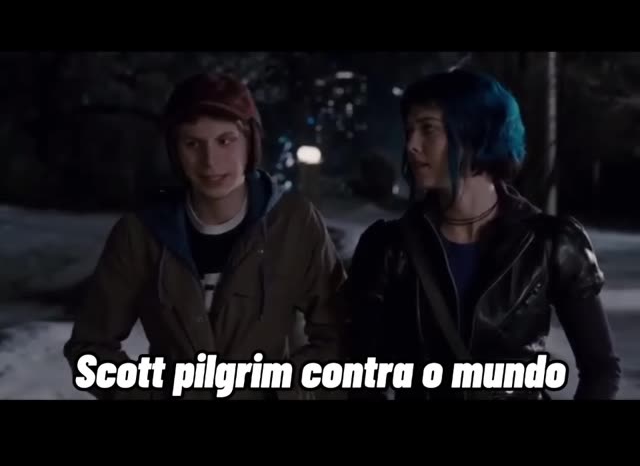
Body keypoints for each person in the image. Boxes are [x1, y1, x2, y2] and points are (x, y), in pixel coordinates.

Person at [63, 73, 346, 400]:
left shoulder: (294, 223)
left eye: (225, 141)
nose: (210, 162)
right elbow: (90, 349)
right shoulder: (140, 234)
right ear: (175, 150)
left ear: (250, 142)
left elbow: (340, 333)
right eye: (192, 144)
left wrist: (287, 389)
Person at [345, 69, 621, 400]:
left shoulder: (552, 243)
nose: (412, 145)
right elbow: (360, 373)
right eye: (409, 131)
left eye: (428, 129)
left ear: (477, 134)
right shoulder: (388, 247)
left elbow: (600, 369)